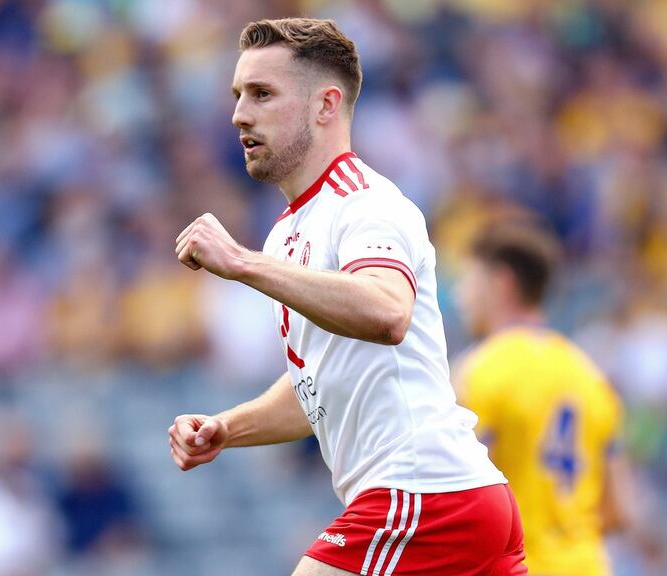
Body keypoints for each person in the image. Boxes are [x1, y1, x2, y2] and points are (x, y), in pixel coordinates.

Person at [167, 18, 525, 576]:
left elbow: (387, 311)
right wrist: (227, 428)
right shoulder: (286, 233)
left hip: (423, 493)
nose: (240, 113)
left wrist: (239, 263)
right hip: (457, 500)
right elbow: (320, 385)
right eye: (238, 95)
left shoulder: (365, 203)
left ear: (326, 105)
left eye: (262, 93)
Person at [455, 219, 635, 576]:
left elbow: (459, 498)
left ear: (501, 282)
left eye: (469, 279)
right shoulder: (590, 375)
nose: (461, 294)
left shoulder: (478, 370)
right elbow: (620, 511)